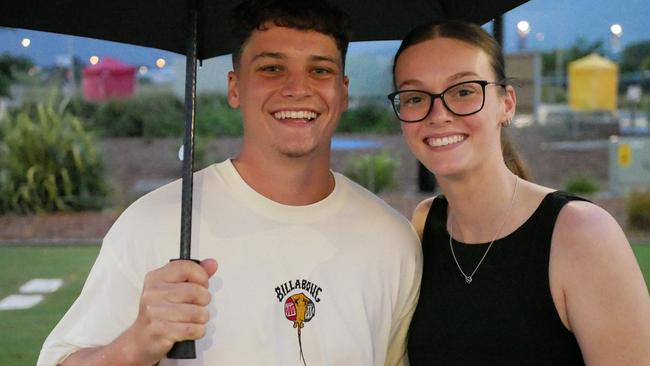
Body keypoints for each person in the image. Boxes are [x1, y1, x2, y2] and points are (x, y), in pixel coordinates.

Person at [37, 1, 422, 365]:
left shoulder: (392, 239)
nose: (297, 88)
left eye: (320, 70)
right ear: (234, 87)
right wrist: (134, 344)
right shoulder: (155, 223)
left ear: (343, 91)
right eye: (272, 68)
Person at [388, 20, 650, 365]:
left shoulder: (580, 234)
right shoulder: (425, 225)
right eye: (415, 97)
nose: (439, 115)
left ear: (507, 103)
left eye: (464, 91)